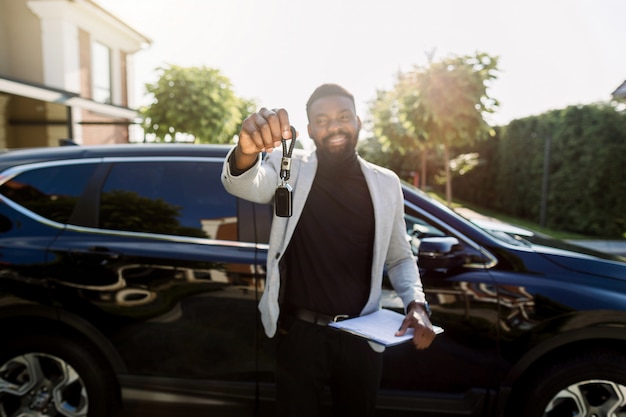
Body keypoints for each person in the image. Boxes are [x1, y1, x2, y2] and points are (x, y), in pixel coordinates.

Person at [221, 83, 435, 417]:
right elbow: (244, 183)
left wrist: (416, 303)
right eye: (322, 120)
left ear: (358, 121)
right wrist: (246, 150)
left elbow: (400, 255)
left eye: (342, 117)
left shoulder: (386, 182)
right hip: (299, 336)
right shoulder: (288, 164)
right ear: (309, 130)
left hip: (362, 336)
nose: (333, 126)